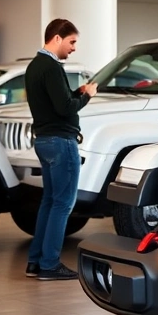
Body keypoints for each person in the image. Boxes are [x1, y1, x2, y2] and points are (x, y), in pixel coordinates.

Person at [24, 18, 97, 281]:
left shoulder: (34, 66)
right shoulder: (52, 67)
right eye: (72, 42)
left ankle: (35, 261)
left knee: (49, 202)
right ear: (57, 38)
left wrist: (75, 93)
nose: (74, 48)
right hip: (60, 142)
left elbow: (56, 101)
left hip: (44, 141)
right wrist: (87, 96)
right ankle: (50, 264)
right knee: (63, 204)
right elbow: (65, 109)